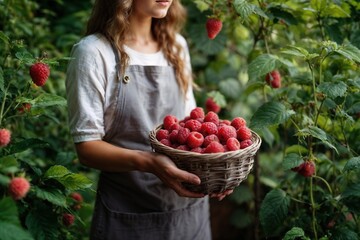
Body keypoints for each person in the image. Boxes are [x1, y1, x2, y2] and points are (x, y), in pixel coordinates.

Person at [65, 0, 232, 239]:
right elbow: (87, 148)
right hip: (129, 214)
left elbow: (190, 130)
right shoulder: (93, 53)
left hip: (189, 216)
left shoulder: (176, 46)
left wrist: (215, 172)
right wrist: (149, 162)